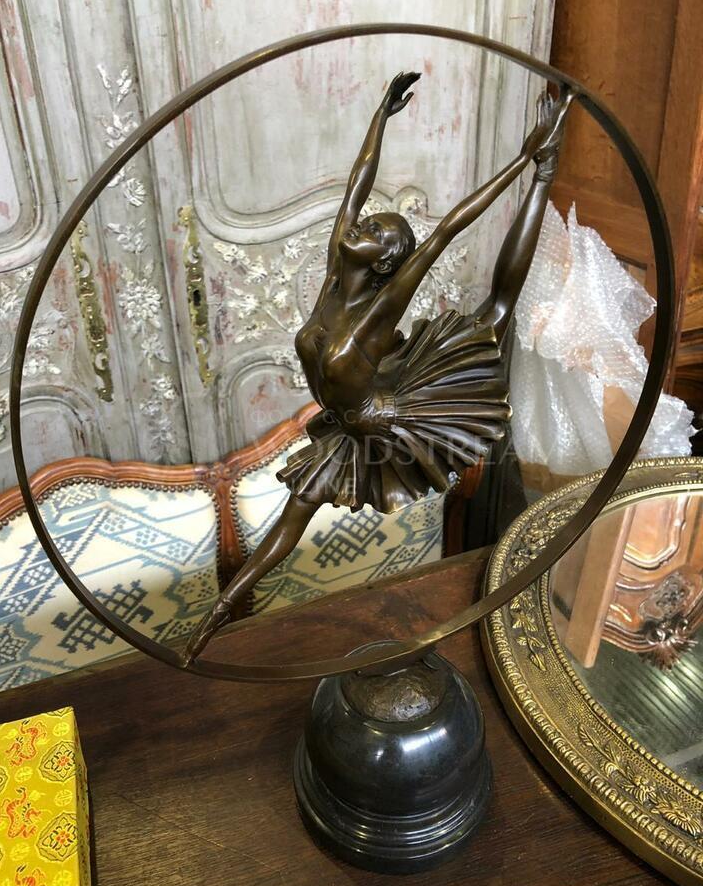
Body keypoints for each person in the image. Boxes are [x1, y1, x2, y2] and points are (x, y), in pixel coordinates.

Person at [185, 72, 576, 664]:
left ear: (390, 260)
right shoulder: (334, 279)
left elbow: (448, 228)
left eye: (375, 232)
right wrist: (380, 117)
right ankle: (218, 615)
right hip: (347, 427)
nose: (361, 227)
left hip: (394, 416)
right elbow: (356, 183)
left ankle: (546, 178)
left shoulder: (378, 308)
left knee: (496, 314)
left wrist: (526, 163)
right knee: (291, 521)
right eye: (365, 224)